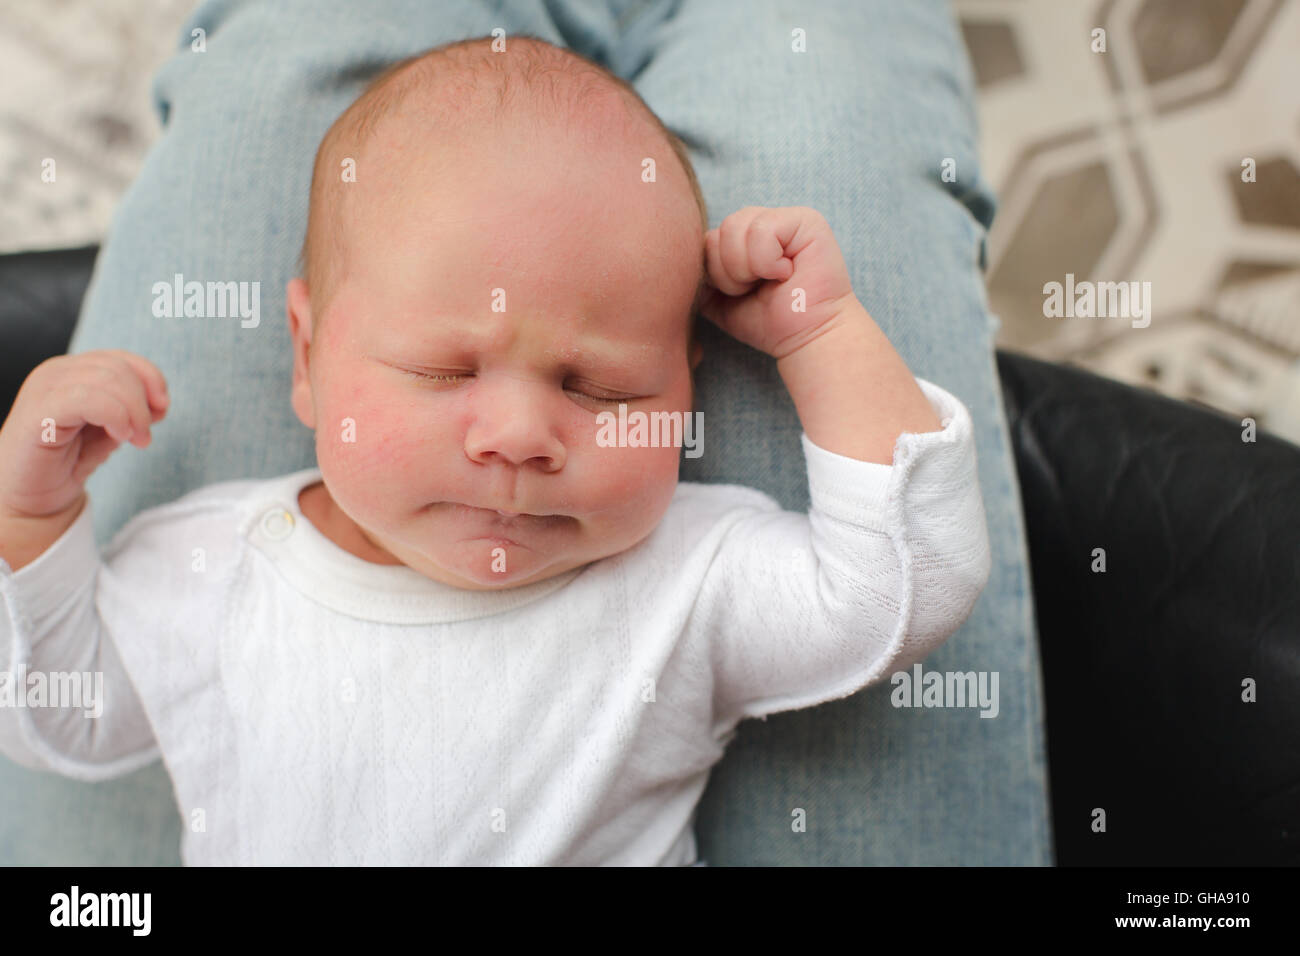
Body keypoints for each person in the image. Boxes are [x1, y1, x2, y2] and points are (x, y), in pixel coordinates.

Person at [0, 0, 1051, 866]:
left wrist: (819, 336)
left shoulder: (684, 580)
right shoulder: (215, 565)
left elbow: (906, 584)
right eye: (443, 369)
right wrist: (31, 516)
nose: (516, 435)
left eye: (599, 389)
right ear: (306, 357)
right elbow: (58, 716)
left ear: (692, 387)